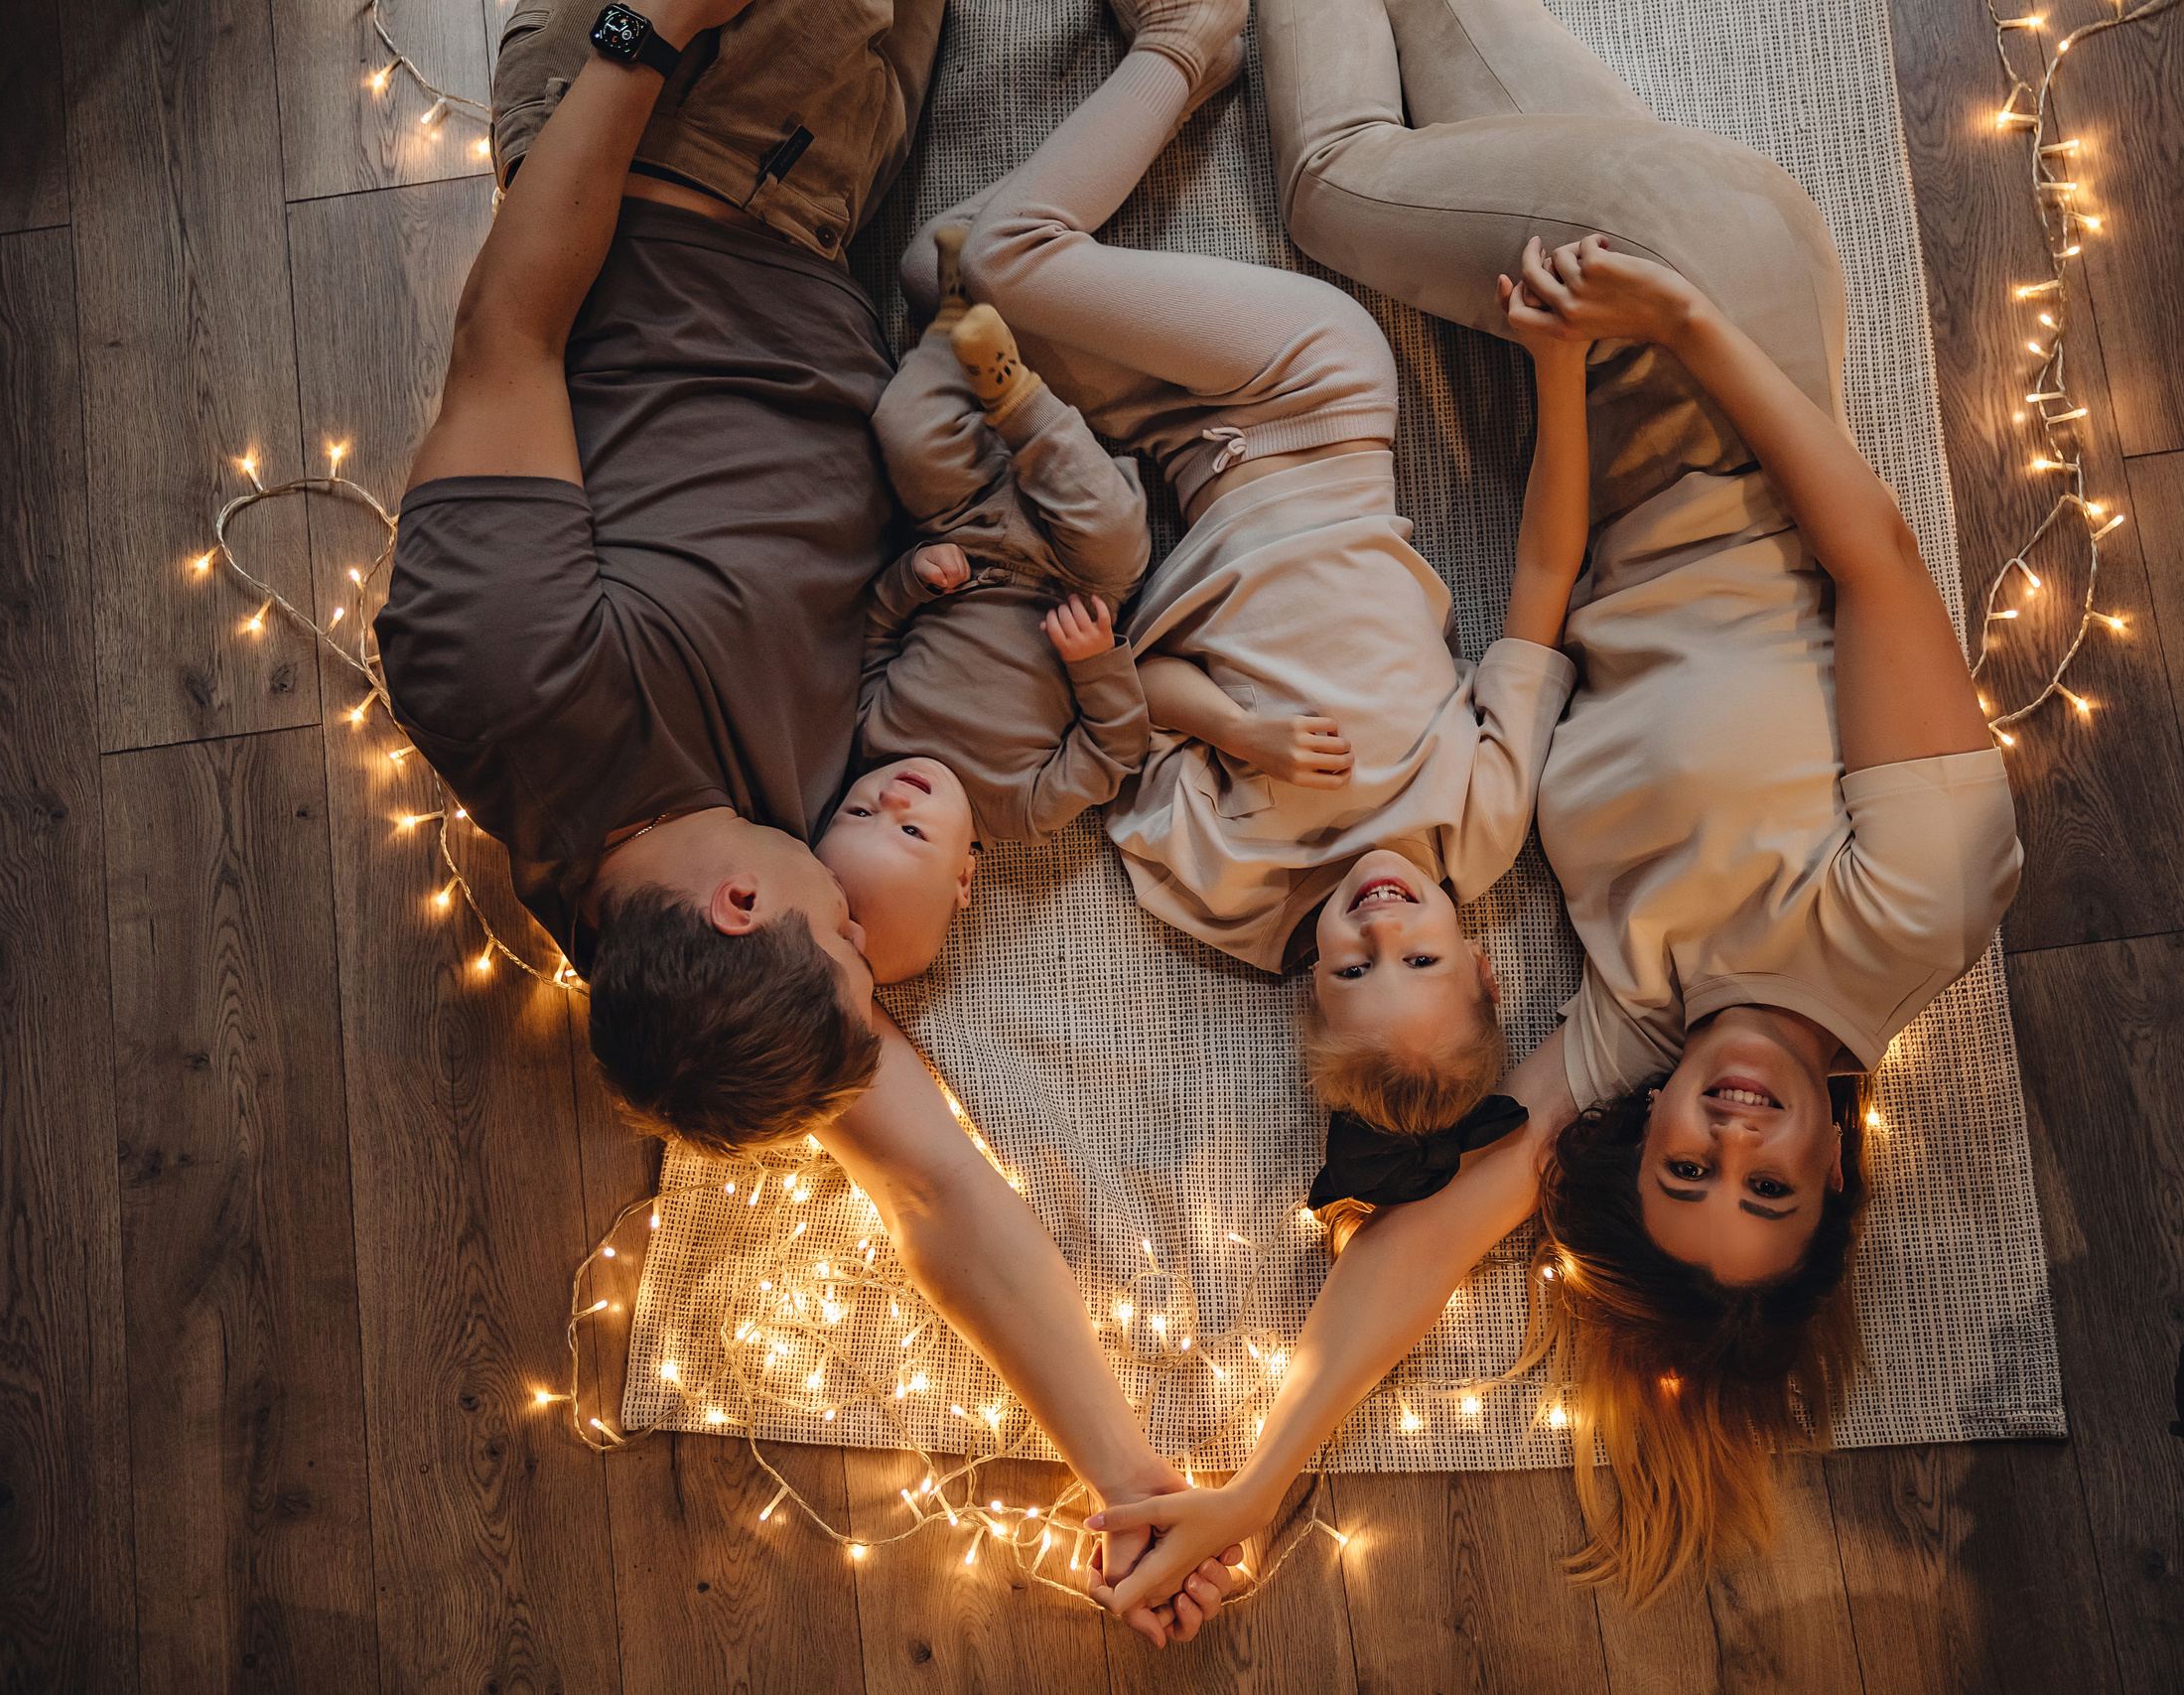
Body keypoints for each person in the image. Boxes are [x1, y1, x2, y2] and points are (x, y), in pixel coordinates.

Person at [1083, 0, 2020, 1614]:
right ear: (1841, 1166)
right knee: (1328, 181)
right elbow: (1872, 550)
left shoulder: (1641, 1020)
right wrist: (1685, 320)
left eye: (1688, 1176)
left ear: (1636, 1144)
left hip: (1607, 393)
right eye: (1772, 1182)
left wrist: (1261, 1472)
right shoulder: (1910, 912)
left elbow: (1429, 1235)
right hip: (1716, 341)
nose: (1730, 1139)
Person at [379, 0, 1246, 1642]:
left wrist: (650, 33)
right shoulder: (737, 961)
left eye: (845, 939)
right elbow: (938, 1199)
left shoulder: (502, 683)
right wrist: (1128, 1471)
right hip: (844, 230)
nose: (875, 920)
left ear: (729, 913)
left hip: (694, 148)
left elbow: (511, 329)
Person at [937, 0, 1584, 1143]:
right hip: (1313, 399)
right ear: (1484, 969)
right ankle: (1190, 40)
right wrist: (1559, 375)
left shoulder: (1227, 891)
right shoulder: (1475, 828)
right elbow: (1540, 583)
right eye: (1418, 955)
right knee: (1003, 259)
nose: (1378, 922)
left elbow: (1128, 691)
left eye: (1352, 969)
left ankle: (1163, 93)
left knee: (935, 279)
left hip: (1175, 455)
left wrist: (1246, 737)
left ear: (1306, 993)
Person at [815, 234, 1158, 981]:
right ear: (964, 878)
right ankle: (1018, 400)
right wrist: (1092, 660)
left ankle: (956, 321)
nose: (891, 797)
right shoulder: (1024, 809)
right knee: (1115, 531)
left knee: (904, 433)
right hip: (1073, 577)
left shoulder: (871, 735)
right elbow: (1116, 750)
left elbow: (874, 630)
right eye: (910, 830)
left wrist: (911, 578)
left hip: (960, 531)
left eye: (859, 812)